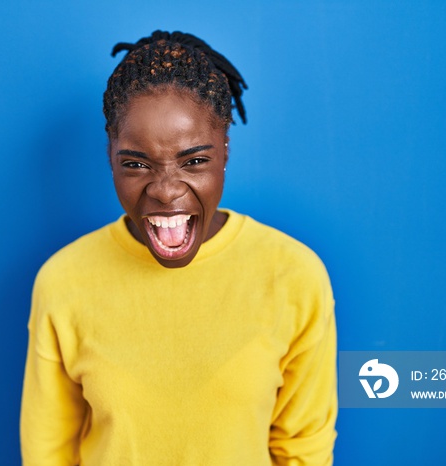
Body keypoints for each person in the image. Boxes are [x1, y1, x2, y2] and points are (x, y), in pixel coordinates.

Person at [20, 30, 337, 465]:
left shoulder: (294, 276)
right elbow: (48, 451)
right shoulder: (64, 280)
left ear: (225, 150)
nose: (166, 191)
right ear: (110, 154)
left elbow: (304, 447)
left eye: (194, 161)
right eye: (136, 163)